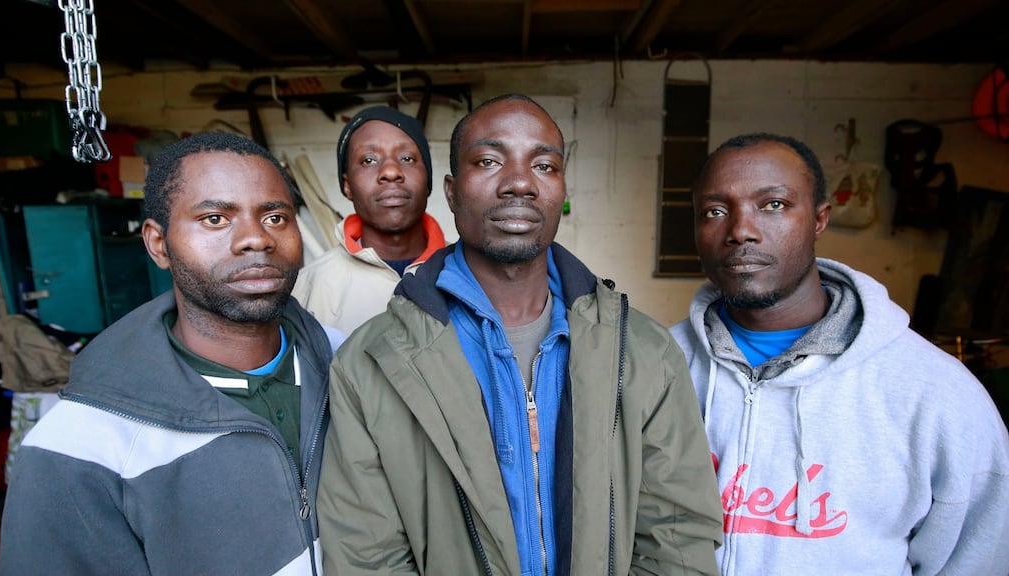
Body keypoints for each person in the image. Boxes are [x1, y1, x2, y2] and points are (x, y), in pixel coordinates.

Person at [318, 94, 722, 575]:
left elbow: (677, 539)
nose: (519, 182)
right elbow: (368, 557)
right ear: (451, 192)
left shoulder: (643, 351)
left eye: (544, 166)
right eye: (489, 161)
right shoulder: (370, 362)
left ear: (561, 189)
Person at [670, 132, 1009, 575]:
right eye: (715, 211)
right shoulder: (656, 367)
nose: (740, 231)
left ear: (819, 219)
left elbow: (979, 560)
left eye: (773, 204)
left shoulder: (935, 391)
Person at [0, 131, 333, 576]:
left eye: (275, 217)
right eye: (215, 218)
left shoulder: (348, 367)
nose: (256, 239)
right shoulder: (79, 441)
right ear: (158, 244)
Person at [292, 106, 448, 334]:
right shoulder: (308, 289)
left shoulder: (470, 274)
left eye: (407, 158)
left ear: (428, 180)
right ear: (347, 185)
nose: (391, 172)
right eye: (368, 160)